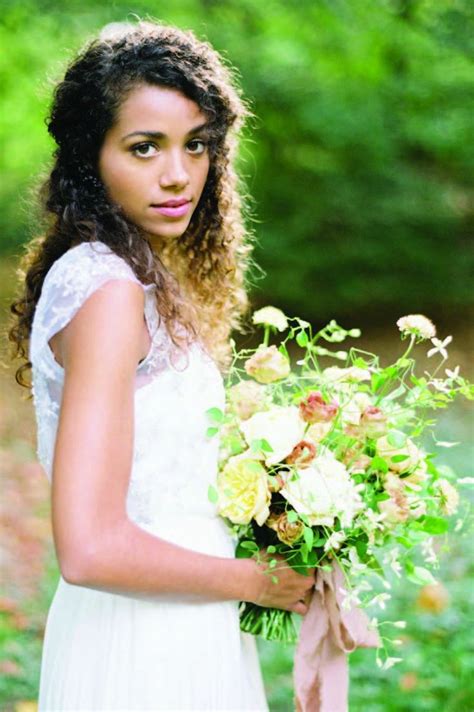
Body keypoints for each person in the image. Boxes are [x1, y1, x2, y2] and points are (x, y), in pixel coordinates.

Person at [8, 19, 314, 711]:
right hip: (142, 643)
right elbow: (87, 547)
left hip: (182, 619)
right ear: (91, 155)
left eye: (197, 145)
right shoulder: (109, 291)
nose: (179, 174)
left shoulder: (123, 275)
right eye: (144, 148)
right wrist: (254, 580)